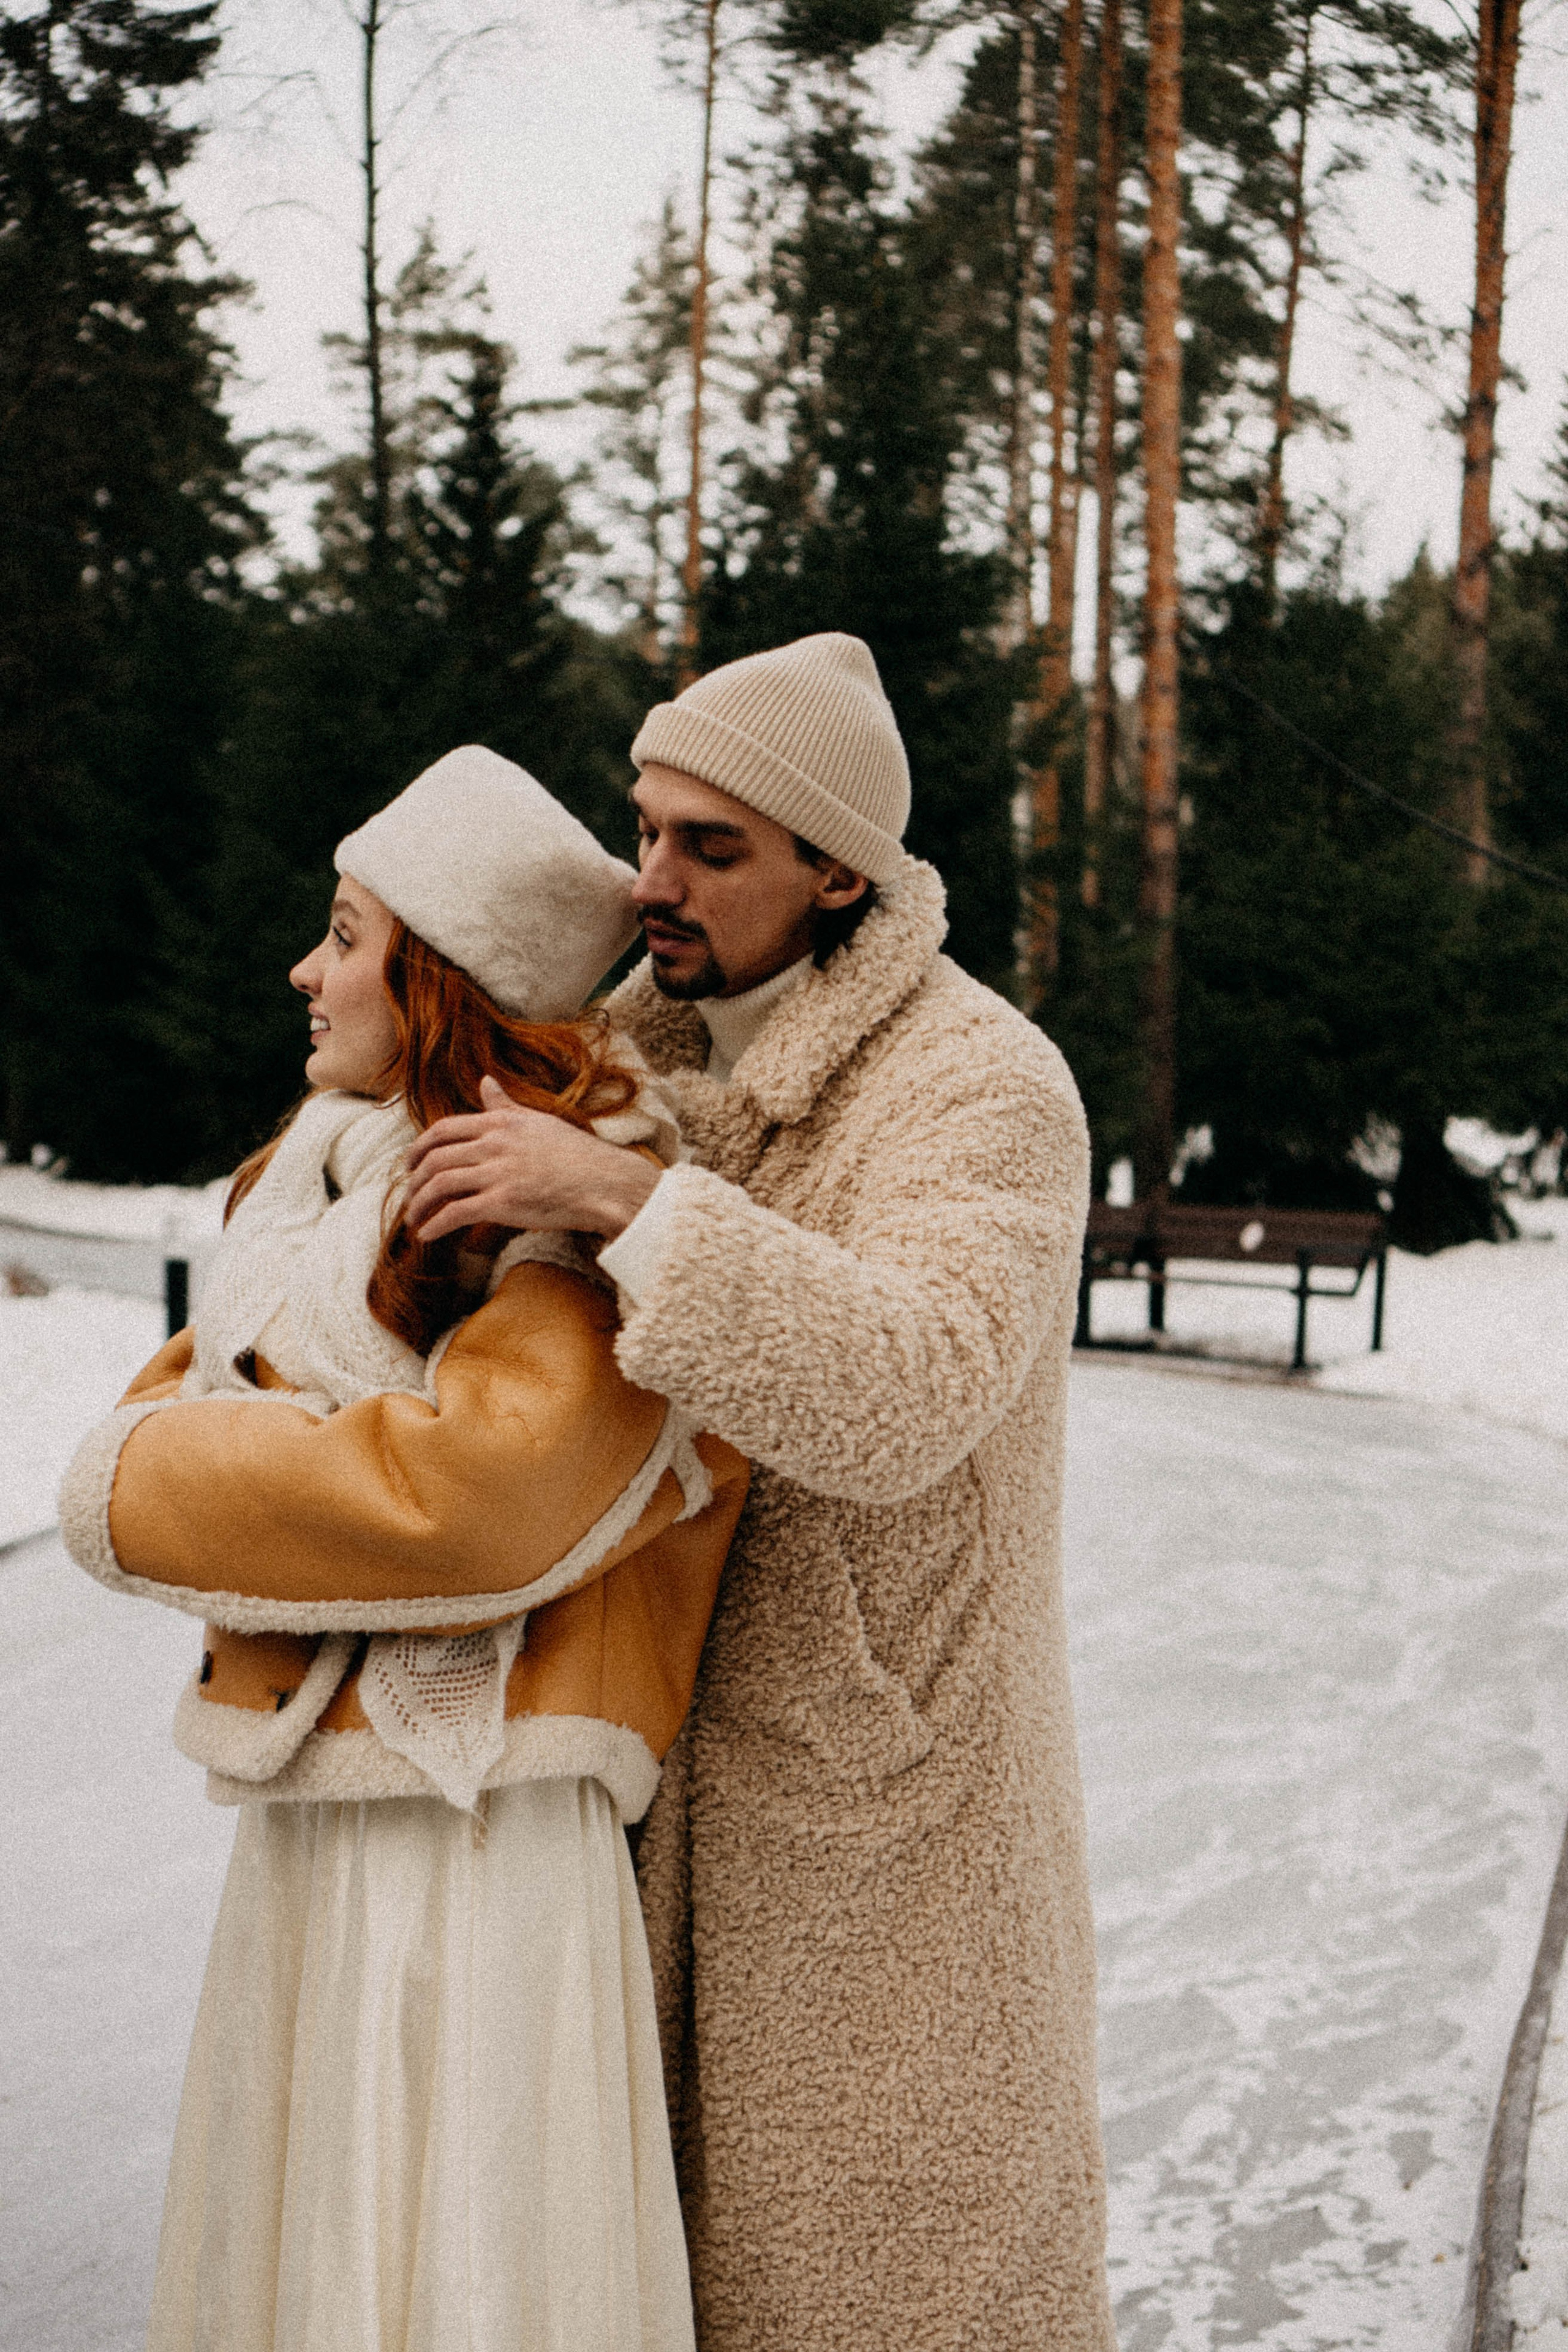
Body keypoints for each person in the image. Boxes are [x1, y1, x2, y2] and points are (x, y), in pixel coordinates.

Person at [399, 636, 1115, 2351]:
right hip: (630, 1791)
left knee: (882, 2300)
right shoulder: (617, 1048)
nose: (653, 878)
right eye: (647, 828)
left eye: (712, 847)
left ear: (839, 871)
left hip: (891, 1835)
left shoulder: (984, 1082)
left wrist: (633, 1205)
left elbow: (912, 1390)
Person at [59, 745, 748, 2352]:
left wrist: (164, 1472)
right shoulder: (310, 1190)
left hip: (483, 1836)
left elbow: (476, 1500)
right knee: (311, 2258)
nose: (307, 969)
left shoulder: (590, 1189)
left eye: (349, 934)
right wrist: (248, 1454)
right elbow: (203, 1405)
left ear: (439, 976)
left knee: (463, 2267)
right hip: (320, 1824)